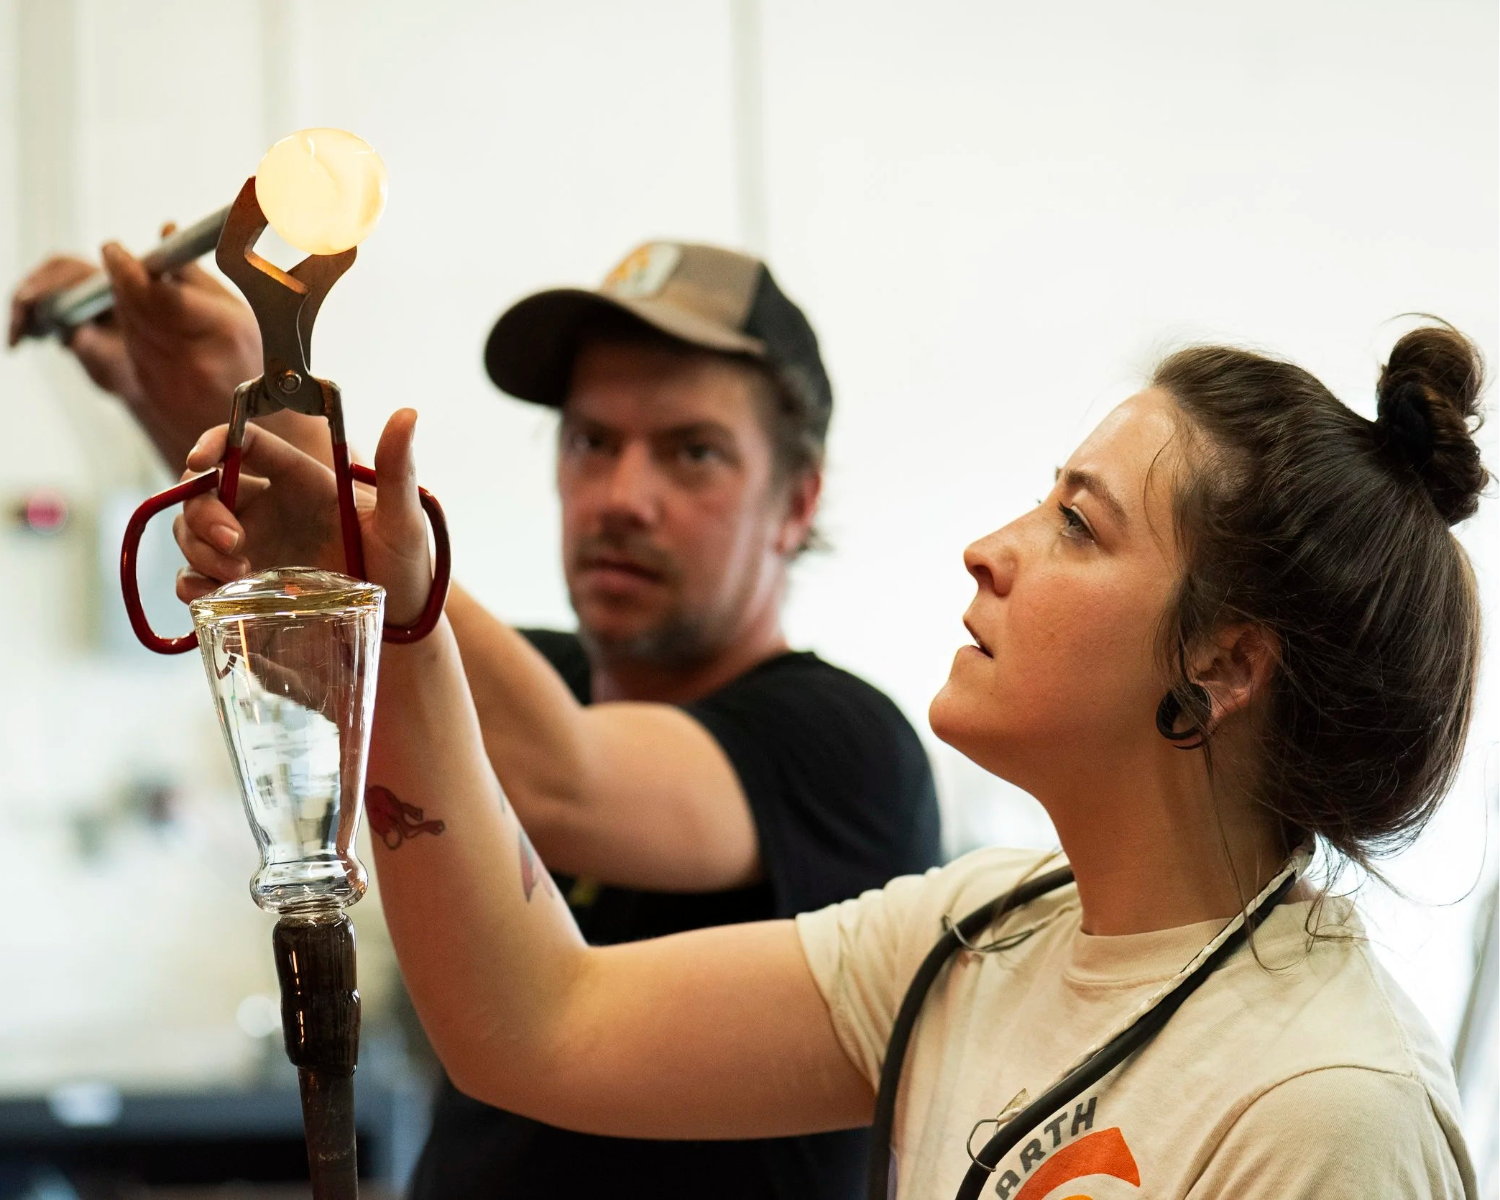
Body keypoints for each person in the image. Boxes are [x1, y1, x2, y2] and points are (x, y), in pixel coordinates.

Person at [177, 320, 1486, 1197]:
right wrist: (399, 622)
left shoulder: (1328, 1107)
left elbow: (563, 793)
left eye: (1078, 526)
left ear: (1226, 664)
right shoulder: (978, 933)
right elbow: (539, 1024)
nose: (992, 545)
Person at [10, 240, 942, 1198]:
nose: (623, 499)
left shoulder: (845, 744)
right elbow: (341, 618)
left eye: (692, 452)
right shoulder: (532, 676)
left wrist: (275, 441)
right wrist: (206, 396)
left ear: (797, 502)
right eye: (591, 442)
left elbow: (557, 773)